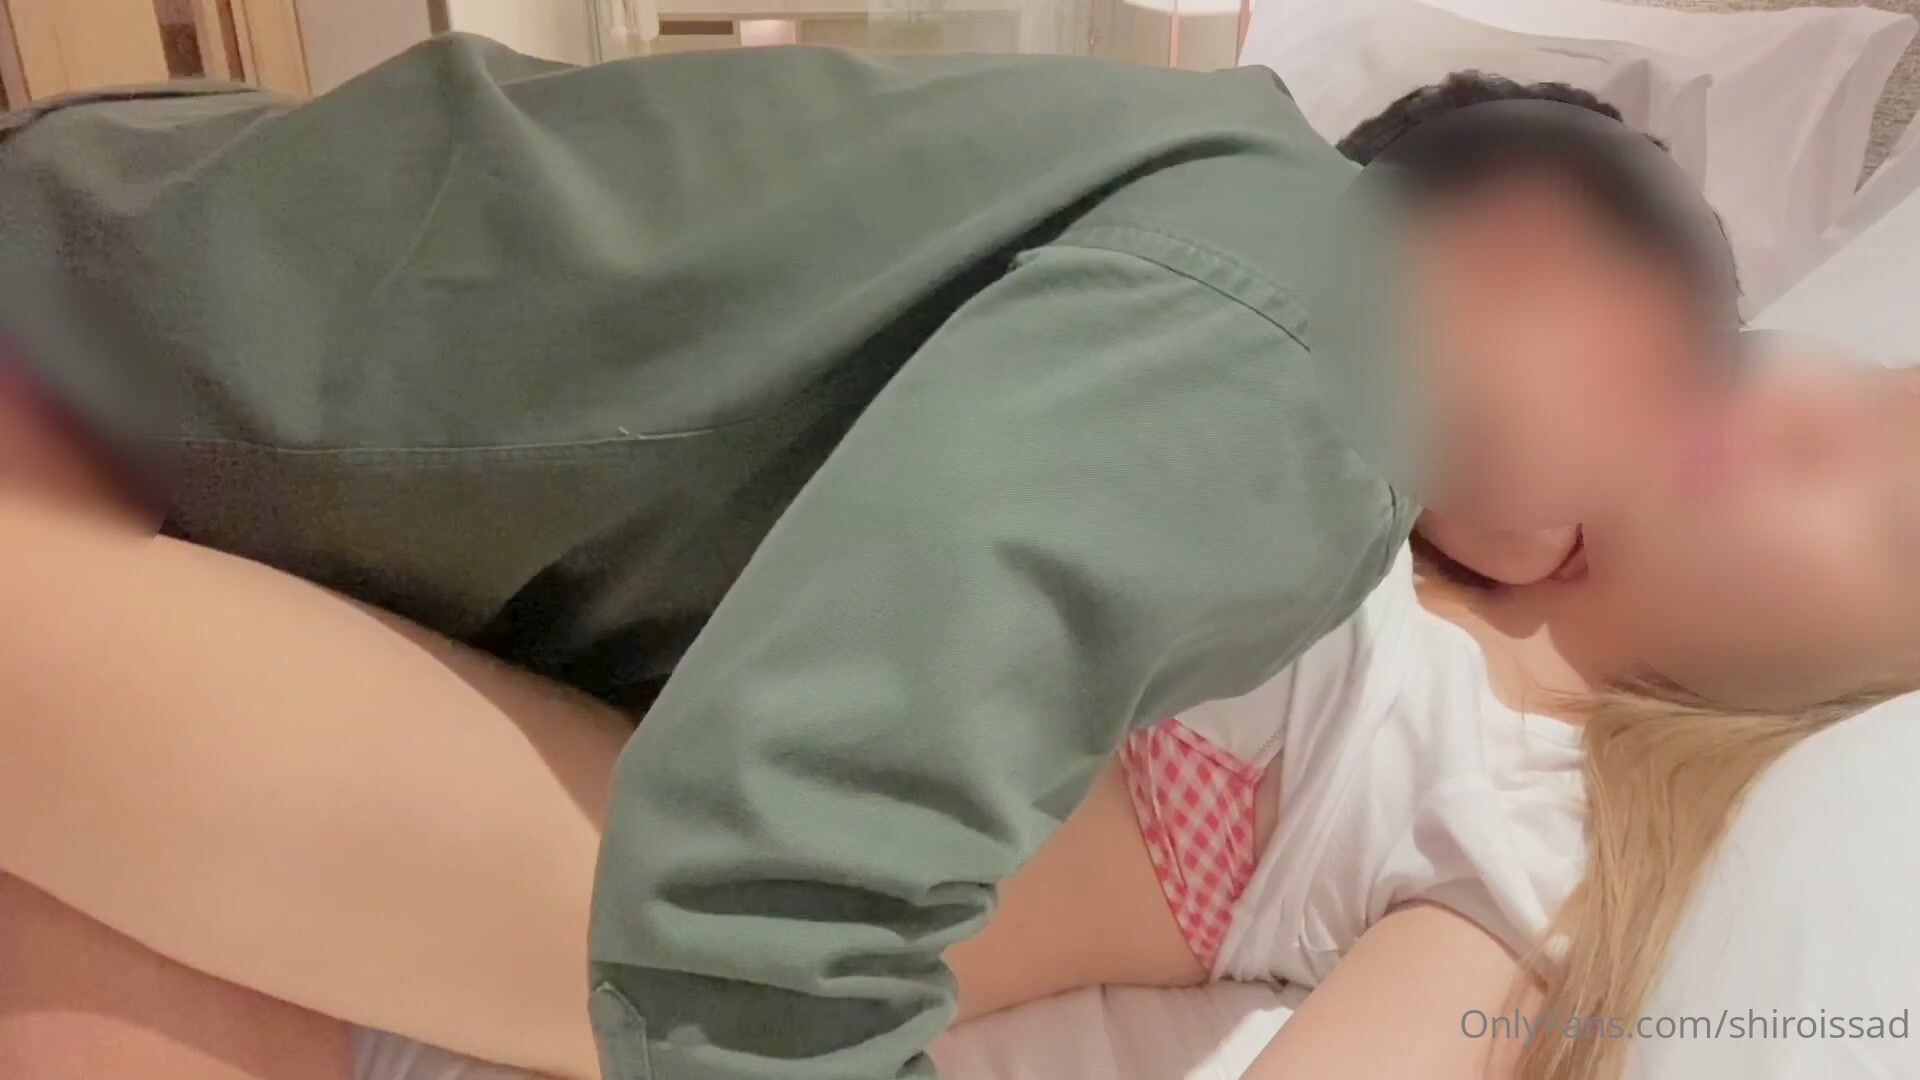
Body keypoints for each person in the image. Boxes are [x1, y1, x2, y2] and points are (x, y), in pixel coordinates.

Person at [0, 44, 1734, 1080]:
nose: (1642, 499)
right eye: (1679, 393)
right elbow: (768, 900)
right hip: (108, 338)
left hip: (162, 335)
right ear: (1529, 252)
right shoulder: (1330, 340)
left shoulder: (1219, 261)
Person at [4, 344, 1917, 1080]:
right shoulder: (1398, 489)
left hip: (672, 873)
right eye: (1865, 379)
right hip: (606, 643)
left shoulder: (1525, 816)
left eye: (1897, 497)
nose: (1823, 410)